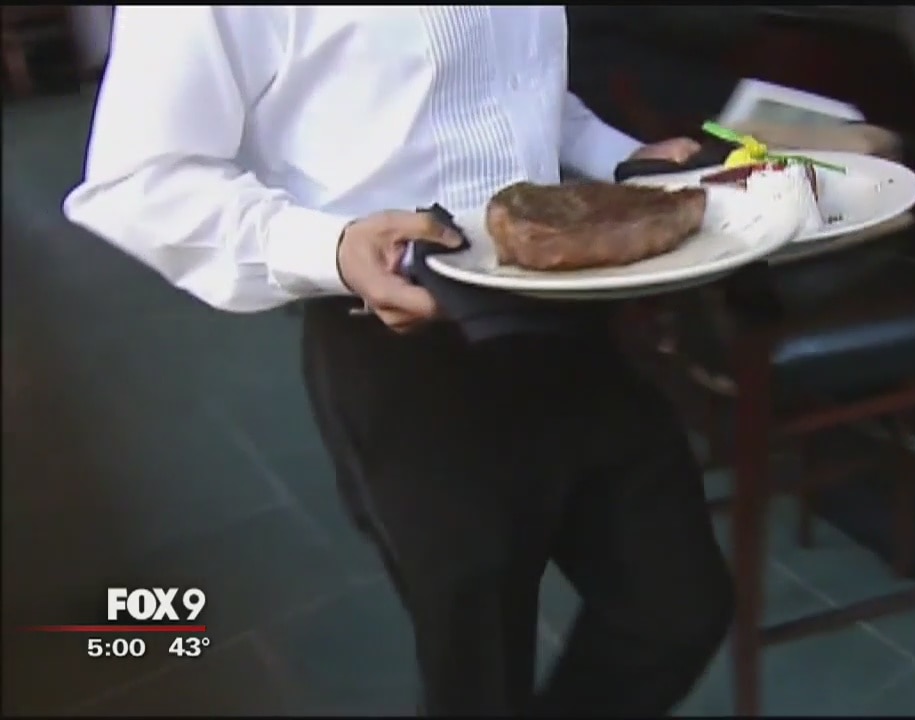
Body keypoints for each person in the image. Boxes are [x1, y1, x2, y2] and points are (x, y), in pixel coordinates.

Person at [64, 7, 733, 716]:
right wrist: (330, 248)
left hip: (564, 308)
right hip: (403, 349)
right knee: (479, 681)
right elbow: (139, 179)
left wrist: (623, 161)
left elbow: (520, 88)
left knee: (677, 609)